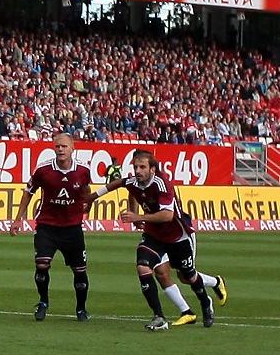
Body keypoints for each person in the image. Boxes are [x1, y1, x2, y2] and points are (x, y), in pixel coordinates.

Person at [115, 149, 227, 331]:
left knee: (187, 276)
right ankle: (168, 315)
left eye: (141, 166)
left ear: (152, 167)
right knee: (150, 269)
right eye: (135, 166)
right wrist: (132, 210)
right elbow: (129, 188)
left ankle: (209, 293)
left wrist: (138, 218)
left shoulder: (162, 183)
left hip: (178, 234)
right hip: (155, 235)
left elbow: (168, 215)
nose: (137, 170)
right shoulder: (138, 181)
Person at [20, 132, 102, 322]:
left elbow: (86, 189)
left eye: (64, 146)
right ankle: (43, 302)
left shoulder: (82, 170)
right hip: (47, 226)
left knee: (79, 271)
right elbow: (28, 192)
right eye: (57, 146)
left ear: (72, 148)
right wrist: (18, 218)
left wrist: (87, 203)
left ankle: (81, 309)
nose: (60, 149)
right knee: (42, 264)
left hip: (72, 228)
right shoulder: (43, 170)